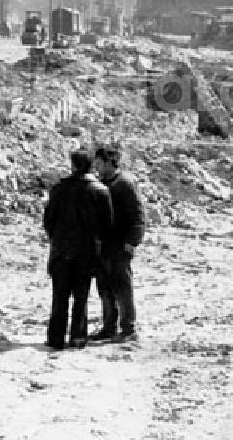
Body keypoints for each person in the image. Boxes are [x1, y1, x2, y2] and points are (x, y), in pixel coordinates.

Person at [43, 150, 112, 350]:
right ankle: (78, 337)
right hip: (88, 253)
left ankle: (56, 338)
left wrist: (57, 240)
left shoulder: (59, 189)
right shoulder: (100, 191)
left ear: (73, 165)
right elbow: (106, 225)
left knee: (60, 296)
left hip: (61, 251)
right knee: (81, 297)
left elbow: (48, 221)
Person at [91, 144, 146, 343]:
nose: (96, 166)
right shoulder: (99, 184)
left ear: (109, 163)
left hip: (120, 245)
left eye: (99, 163)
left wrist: (132, 242)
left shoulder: (125, 184)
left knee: (123, 288)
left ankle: (128, 328)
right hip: (102, 246)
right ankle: (108, 327)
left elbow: (138, 216)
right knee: (105, 288)